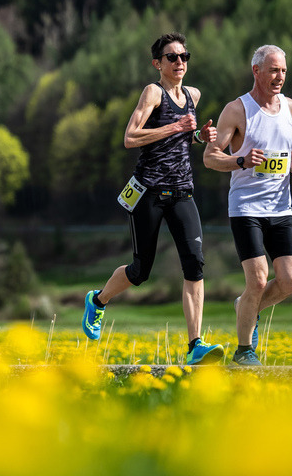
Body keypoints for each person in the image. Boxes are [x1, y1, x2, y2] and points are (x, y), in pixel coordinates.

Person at [82, 33, 225, 366]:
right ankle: (98, 300)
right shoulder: (153, 92)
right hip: (147, 192)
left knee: (195, 263)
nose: (179, 63)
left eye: (184, 56)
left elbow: (182, 139)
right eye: (172, 57)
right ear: (157, 63)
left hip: (182, 191)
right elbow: (130, 138)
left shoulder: (193, 95)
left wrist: (200, 136)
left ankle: (195, 345)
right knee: (140, 270)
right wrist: (176, 127)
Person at [203, 44, 292, 366]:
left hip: (281, 208)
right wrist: (239, 160)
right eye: (273, 70)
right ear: (256, 71)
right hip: (246, 208)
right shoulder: (237, 110)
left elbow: (288, 145)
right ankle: (244, 351)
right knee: (257, 278)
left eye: (283, 71)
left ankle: (245, 308)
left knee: (291, 280)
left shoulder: (289, 107)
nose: (279, 77)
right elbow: (211, 157)